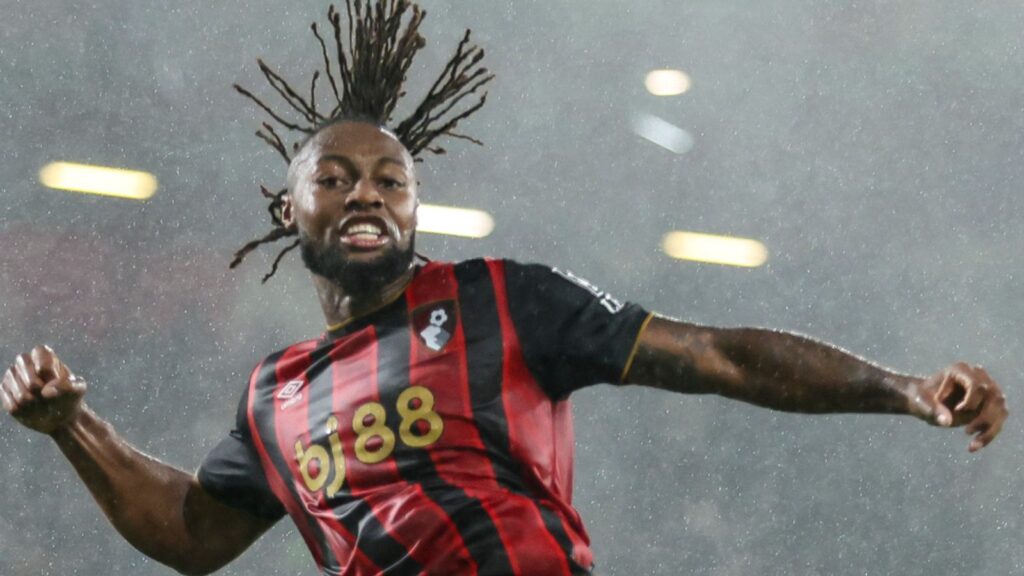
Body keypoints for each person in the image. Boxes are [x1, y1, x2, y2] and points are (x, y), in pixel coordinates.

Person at [1, 2, 1008, 576]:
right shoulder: (275, 393)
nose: (367, 194)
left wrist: (904, 390)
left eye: (391, 180)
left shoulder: (500, 300)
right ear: (285, 206)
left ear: (416, 207)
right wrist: (73, 430)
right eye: (337, 177)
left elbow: (721, 355)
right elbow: (193, 534)